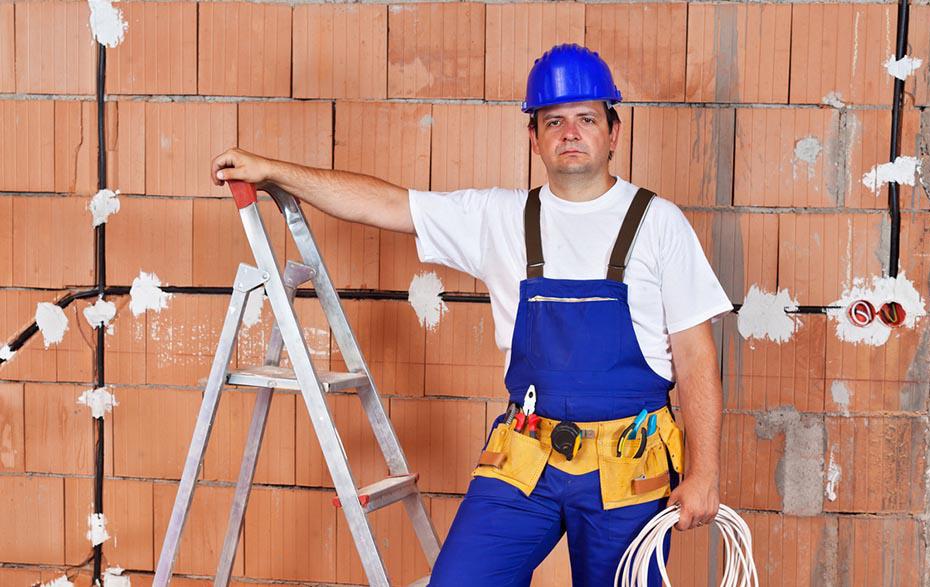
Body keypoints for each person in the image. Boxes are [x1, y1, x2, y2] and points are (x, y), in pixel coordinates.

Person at [212, 44, 731, 586]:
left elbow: (696, 358)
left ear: (613, 132)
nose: (570, 133)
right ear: (534, 138)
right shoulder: (501, 217)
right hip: (528, 454)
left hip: (630, 467)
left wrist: (704, 475)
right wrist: (274, 171)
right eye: (554, 121)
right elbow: (387, 204)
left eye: (586, 119)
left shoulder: (659, 224)